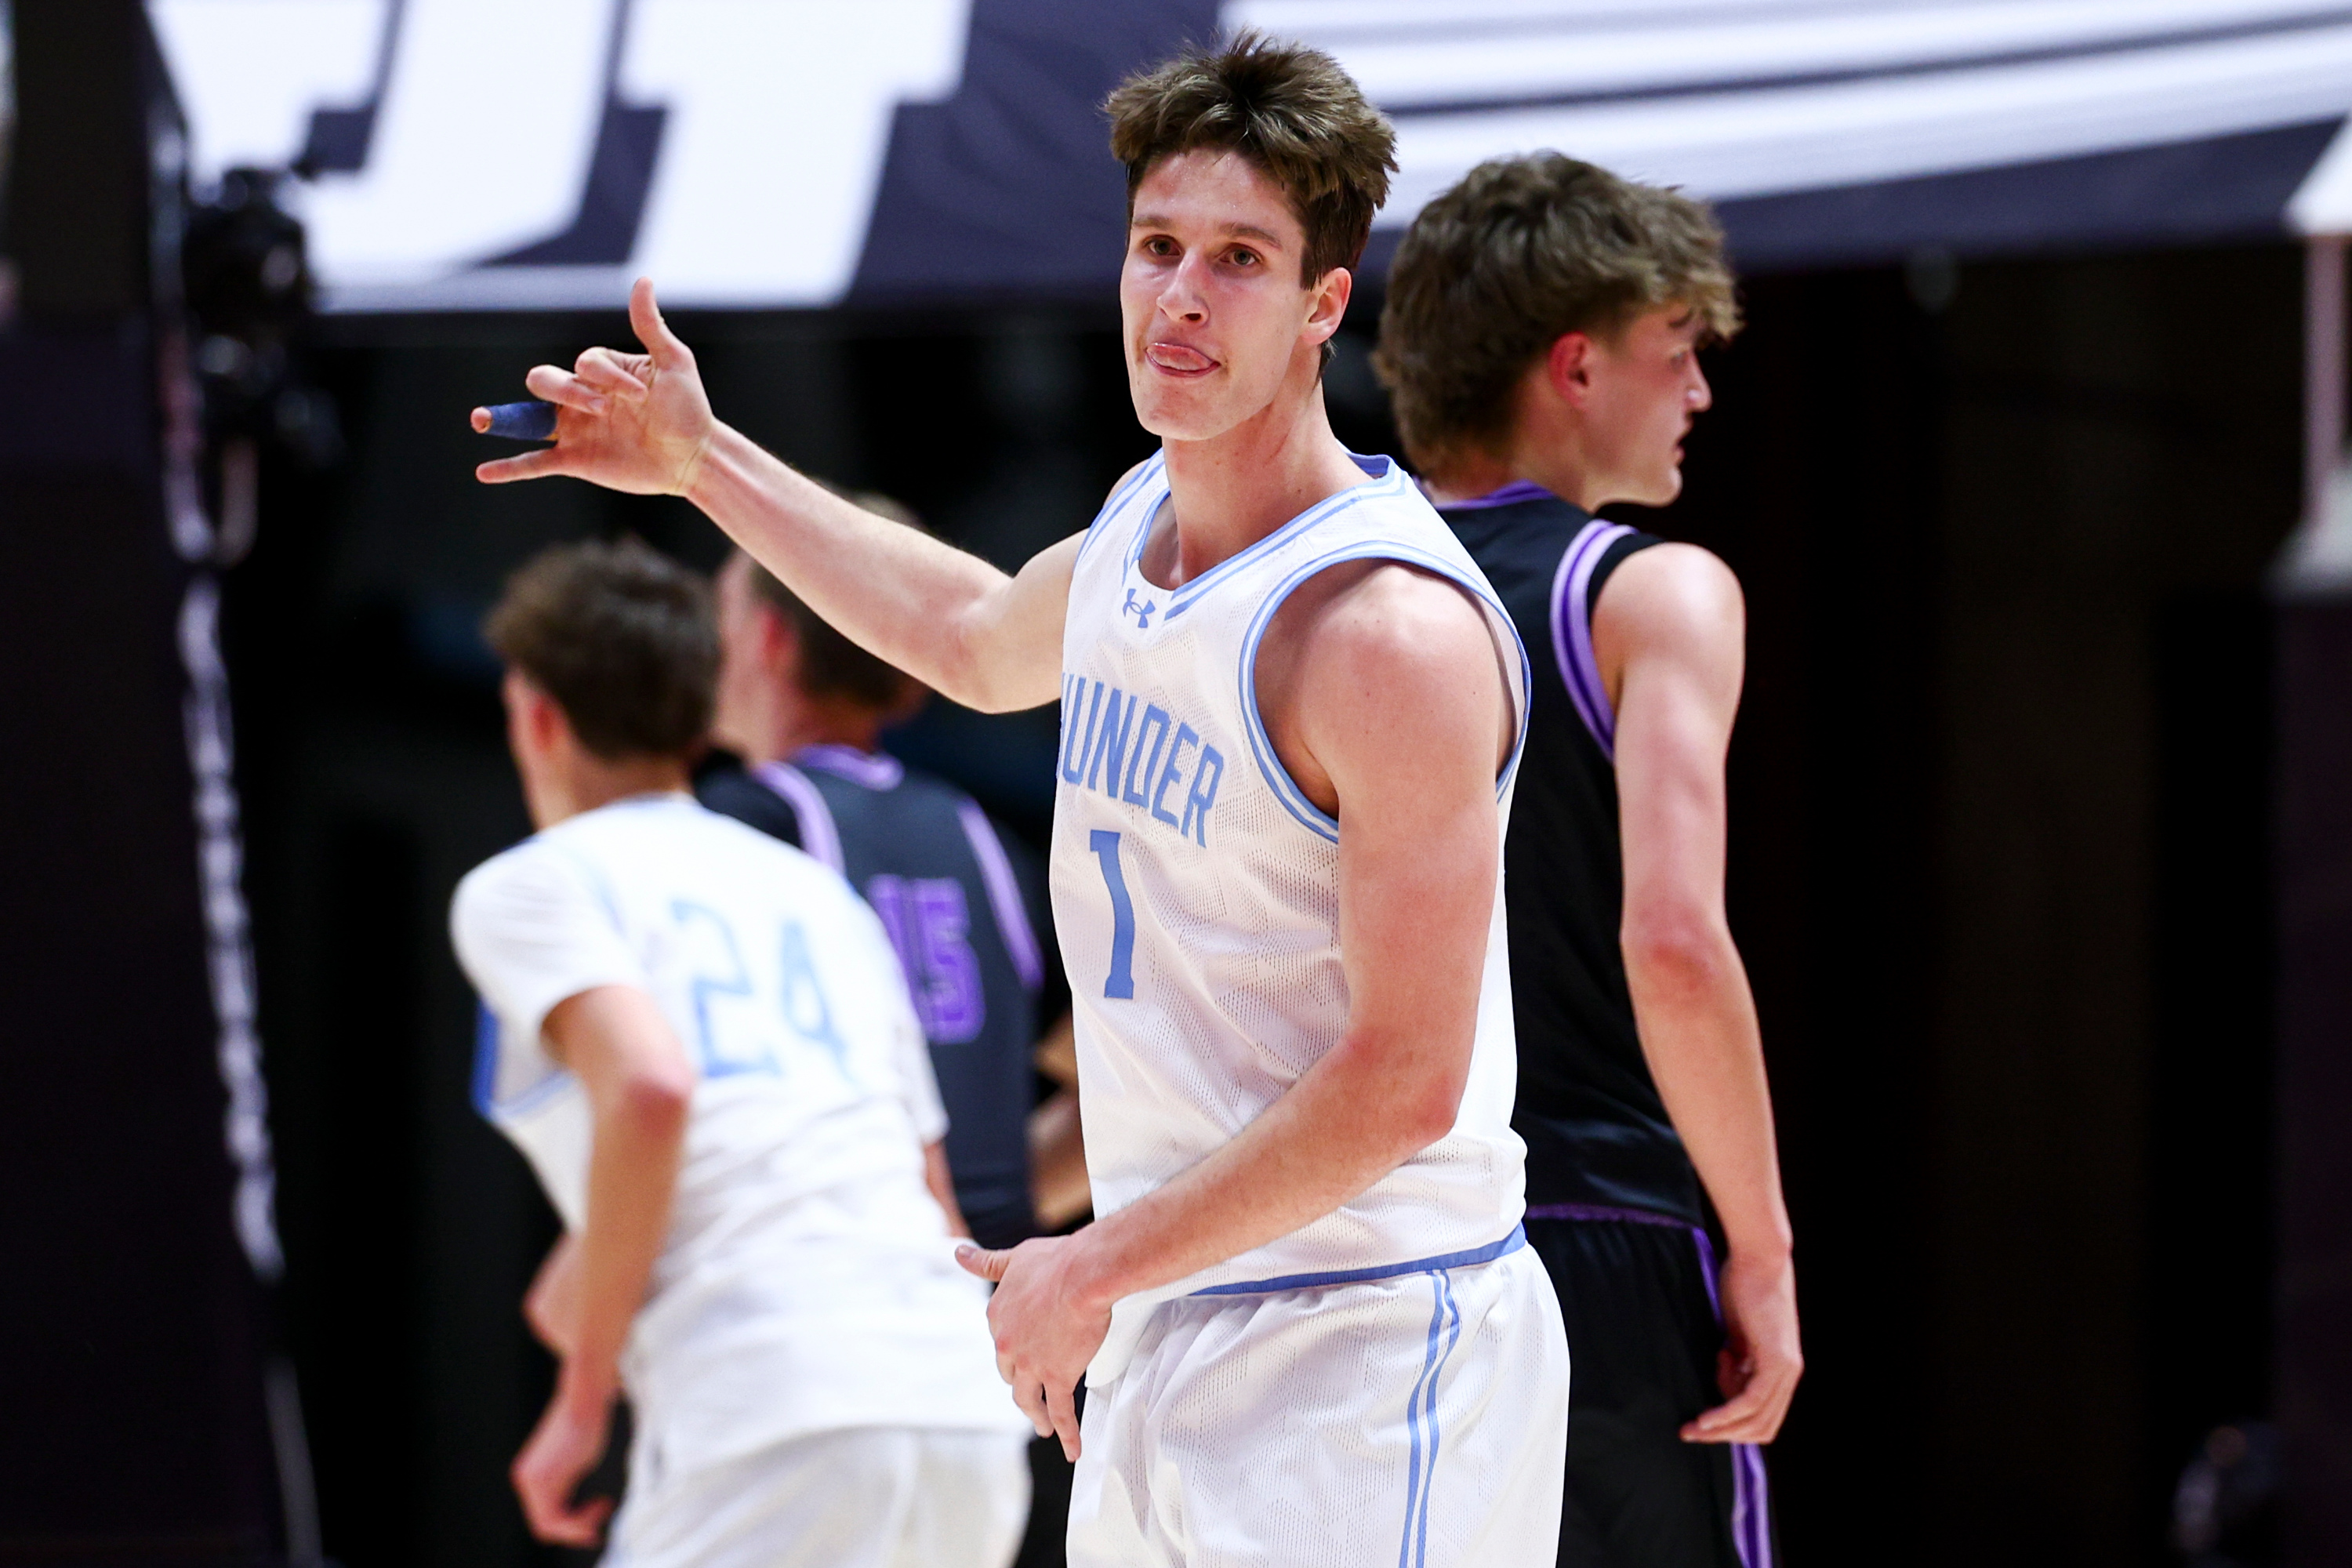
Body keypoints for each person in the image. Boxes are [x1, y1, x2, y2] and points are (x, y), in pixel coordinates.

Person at [472, 31, 1568, 1568]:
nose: (1178, 294)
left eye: (1239, 260)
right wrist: (703, 461)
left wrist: (1092, 1258)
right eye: (1156, 247)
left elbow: (1405, 1080)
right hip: (1170, 1310)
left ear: (1327, 304)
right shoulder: (1138, 526)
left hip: (1370, 1339)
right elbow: (976, 639)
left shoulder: (1380, 630)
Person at [1374, 154, 1802, 1567]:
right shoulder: (1647, 592)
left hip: (1361, 1245)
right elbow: (1672, 944)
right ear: (1575, 363)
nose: (1700, 394)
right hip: (1591, 1231)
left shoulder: (1316, 586)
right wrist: (1763, 1247)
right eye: (1675, 353)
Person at [451, 539, 1032, 1568]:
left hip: (769, 1412)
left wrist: (582, 1401)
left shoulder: (534, 885)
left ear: (535, 716)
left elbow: (652, 1089)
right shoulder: (816, 893)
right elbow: (920, 1186)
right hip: (959, 1406)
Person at [696, 520, 1086, 1254]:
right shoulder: (985, 838)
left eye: (724, 617)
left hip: (831, 1298)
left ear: (769, 640)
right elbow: (1117, 1097)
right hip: (985, 1326)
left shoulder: (733, 828)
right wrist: (983, 1212)